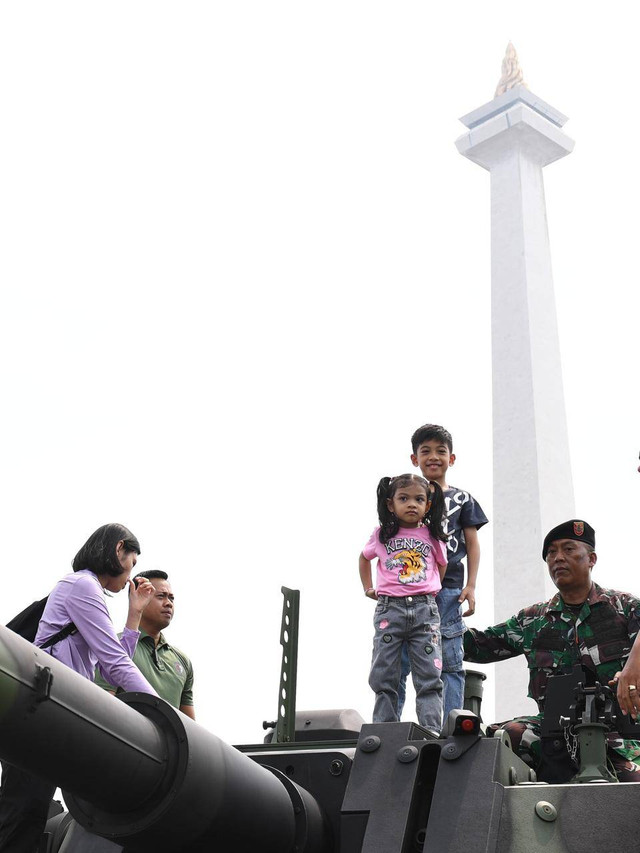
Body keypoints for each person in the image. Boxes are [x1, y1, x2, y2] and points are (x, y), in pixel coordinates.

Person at [0, 523, 159, 853]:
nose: (131, 573)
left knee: (32, 808)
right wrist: (161, 708)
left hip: (54, 713)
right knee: (23, 810)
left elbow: (106, 668)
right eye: (131, 562)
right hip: (39, 709)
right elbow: (115, 663)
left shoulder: (88, 590)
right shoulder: (81, 586)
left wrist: (134, 615)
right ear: (118, 550)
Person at [463, 519, 640, 781]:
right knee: (501, 739)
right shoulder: (533, 620)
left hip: (622, 736)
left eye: (569, 550)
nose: (558, 558)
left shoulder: (623, 608)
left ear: (591, 558)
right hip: (555, 733)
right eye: (551, 553)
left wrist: (632, 668)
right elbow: (474, 646)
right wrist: (434, 601)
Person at [397, 423, 488, 720]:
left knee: (450, 659)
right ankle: (389, 725)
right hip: (409, 591)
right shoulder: (405, 497)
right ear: (415, 459)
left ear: (452, 458)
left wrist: (471, 585)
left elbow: (473, 544)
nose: (433, 457)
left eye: (441, 451)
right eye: (426, 451)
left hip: (448, 590)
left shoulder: (463, 499)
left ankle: (452, 723)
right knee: (398, 660)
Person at [359, 474, 448, 732]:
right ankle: (384, 729)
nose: (412, 504)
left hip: (424, 610)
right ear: (391, 504)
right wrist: (368, 587)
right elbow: (364, 558)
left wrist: (430, 588)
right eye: (404, 498)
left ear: (428, 505)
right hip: (390, 608)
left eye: (419, 499)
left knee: (430, 675)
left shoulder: (433, 537)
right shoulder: (382, 535)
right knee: (384, 673)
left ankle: (431, 728)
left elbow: (441, 566)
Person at [94, 570, 195, 718]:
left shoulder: (182, 661)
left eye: (171, 598)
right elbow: (101, 708)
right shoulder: (114, 646)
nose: (168, 603)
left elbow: (190, 728)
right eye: (161, 596)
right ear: (138, 596)